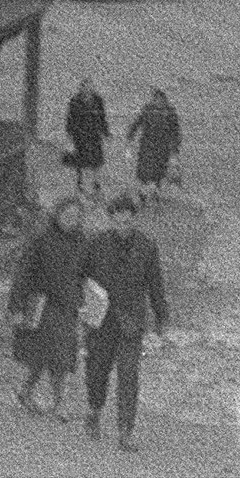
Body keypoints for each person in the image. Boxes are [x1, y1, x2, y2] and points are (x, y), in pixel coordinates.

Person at [78, 190, 171, 451]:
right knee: (97, 371)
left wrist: (161, 316)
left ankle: (125, 431)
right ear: (111, 219)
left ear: (134, 219)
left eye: (128, 220)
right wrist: (82, 304)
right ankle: (95, 411)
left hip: (131, 320)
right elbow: (79, 277)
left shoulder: (146, 247)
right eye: (118, 220)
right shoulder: (95, 244)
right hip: (101, 320)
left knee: (129, 375)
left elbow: (155, 284)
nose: (123, 225)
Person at [6, 196, 87, 418]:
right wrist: (16, 307)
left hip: (68, 306)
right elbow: (23, 275)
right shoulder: (41, 241)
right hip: (44, 306)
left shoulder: (82, 242)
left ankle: (27, 391)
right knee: (49, 355)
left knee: (57, 355)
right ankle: (59, 403)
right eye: (67, 216)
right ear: (57, 216)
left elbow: (87, 275)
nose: (71, 220)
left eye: (76, 216)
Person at [127, 88, 181, 206]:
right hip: (147, 145)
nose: (158, 102)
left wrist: (175, 149)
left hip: (162, 147)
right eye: (155, 99)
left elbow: (175, 131)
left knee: (159, 172)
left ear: (164, 99)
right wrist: (131, 135)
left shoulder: (170, 112)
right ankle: (143, 193)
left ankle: (155, 194)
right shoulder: (148, 109)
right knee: (144, 171)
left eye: (160, 99)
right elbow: (138, 122)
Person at [63, 79, 110, 195]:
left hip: (94, 134)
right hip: (80, 135)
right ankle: (80, 183)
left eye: (91, 87)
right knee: (80, 159)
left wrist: (106, 132)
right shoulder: (75, 101)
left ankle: (96, 183)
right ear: (82, 88)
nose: (89, 89)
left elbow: (102, 117)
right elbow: (70, 118)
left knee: (96, 160)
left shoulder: (98, 101)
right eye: (86, 87)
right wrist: (69, 133)